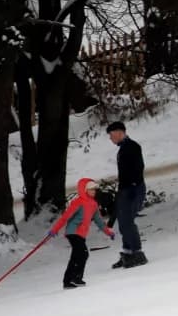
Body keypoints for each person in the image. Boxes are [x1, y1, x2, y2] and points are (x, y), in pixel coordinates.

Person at [49, 178, 114, 289]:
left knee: (78, 255)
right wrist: (55, 229)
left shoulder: (93, 204)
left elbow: (99, 221)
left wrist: (108, 232)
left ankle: (72, 280)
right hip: (73, 232)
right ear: (84, 190)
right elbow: (66, 217)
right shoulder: (78, 202)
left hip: (81, 234)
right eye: (91, 189)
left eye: (94, 189)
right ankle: (72, 279)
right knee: (82, 253)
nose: (94, 191)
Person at [105, 121, 148, 268]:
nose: (111, 139)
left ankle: (138, 253)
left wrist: (134, 187)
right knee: (123, 223)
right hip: (125, 189)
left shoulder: (132, 146)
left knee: (128, 221)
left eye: (111, 135)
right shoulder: (123, 148)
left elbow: (138, 168)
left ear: (119, 132)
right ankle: (127, 253)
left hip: (134, 189)